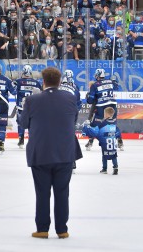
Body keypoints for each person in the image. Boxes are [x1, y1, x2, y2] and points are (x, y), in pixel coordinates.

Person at [22, 67, 83, 239]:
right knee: (62, 192)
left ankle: (42, 229)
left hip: (40, 153)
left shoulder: (32, 100)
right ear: (59, 82)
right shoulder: (70, 98)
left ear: (43, 82)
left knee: (42, 192)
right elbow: (73, 120)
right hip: (65, 152)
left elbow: (24, 123)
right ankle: (62, 229)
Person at [86, 68, 122, 150]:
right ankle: (120, 142)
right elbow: (116, 87)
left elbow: (90, 100)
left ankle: (90, 143)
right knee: (112, 125)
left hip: (102, 106)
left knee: (94, 124)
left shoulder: (95, 85)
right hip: (112, 104)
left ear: (97, 75)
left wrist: (88, 97)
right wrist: (114, 80)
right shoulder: (110, 82)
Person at [82, 107, 121, 175]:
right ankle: (115, 168)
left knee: (104, 155)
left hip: (105, 143)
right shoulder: (114, 123)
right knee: (114, 155)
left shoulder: (103, 123)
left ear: (107, 115)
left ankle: (104, 169)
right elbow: (118, 133)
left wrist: (87, 126)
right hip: (113, 143)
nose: (104, 115)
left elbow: (95, 131)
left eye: (105, 114)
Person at [13, 65, 42, 149]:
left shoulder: (18, 81)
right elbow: (40, 94)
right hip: (32, 107)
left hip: (21, 106)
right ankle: (32, 140)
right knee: (32, 124)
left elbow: (13, 91)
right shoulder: (36, 82)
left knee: (20, 123)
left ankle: (21, 139)